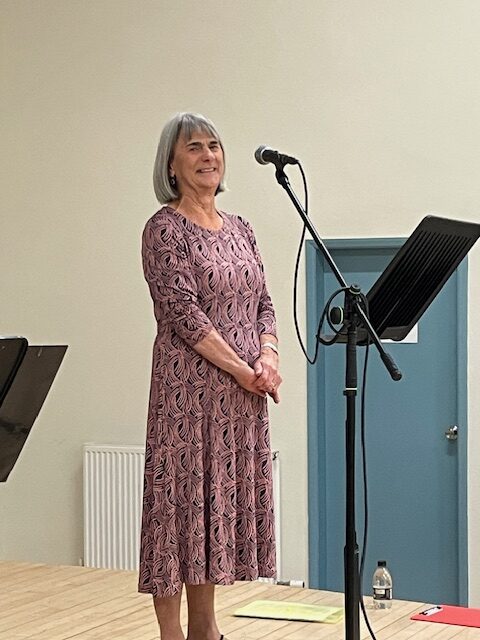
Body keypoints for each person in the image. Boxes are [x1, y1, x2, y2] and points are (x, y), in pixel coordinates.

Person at [139, 112, 282, 640]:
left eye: (214, 146)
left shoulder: (242, 228)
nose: (207, 156)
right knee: (178, 513)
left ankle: (206, 629)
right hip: (187, 398)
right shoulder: (164, 229)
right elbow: (184, 314)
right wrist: (244, 370)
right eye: (194, 147)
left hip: (240, 399)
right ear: (171, 165)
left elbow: (264, 302)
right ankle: (172, 634)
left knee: (211, 513)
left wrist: (269, 358)